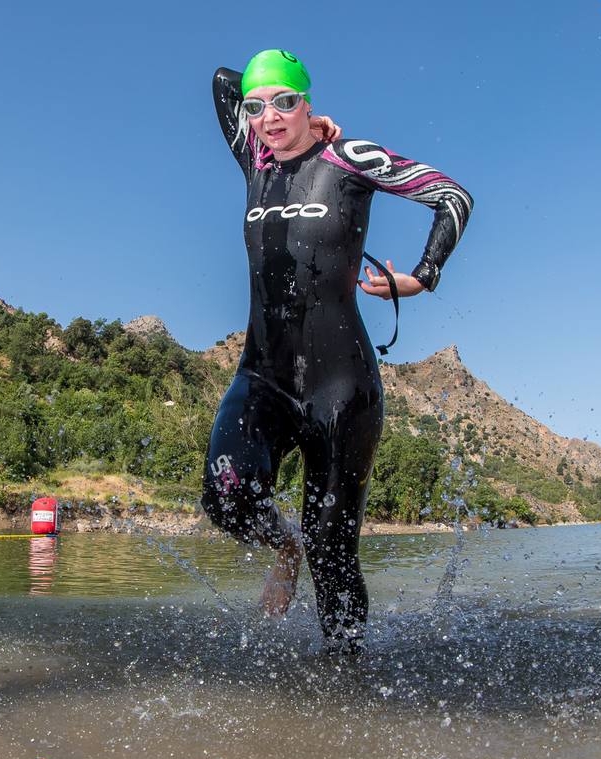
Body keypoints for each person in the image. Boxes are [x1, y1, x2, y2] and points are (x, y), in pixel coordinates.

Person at [201, 49, 473, 653]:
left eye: (286, 102)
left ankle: (345, 677)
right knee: (226, 495)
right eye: (258, 106)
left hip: (340, 385)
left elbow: (452, 196)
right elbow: (221, 81)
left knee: (334, 550)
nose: (271, 117)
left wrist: (423, 274)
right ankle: (284, 546)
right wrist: (262, 101)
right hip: (264, 375)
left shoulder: (348, 158)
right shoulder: (255, 157)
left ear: (309, 102)